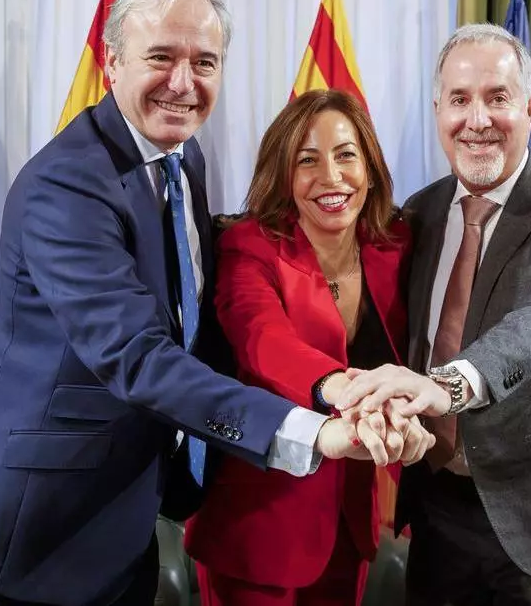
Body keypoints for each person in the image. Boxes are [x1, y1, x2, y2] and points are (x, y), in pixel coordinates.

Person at [0, 0, 409, 606]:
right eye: (161, 57)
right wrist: (313, 429)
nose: (183, 83)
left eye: (204, 62)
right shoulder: (67, 186)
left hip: (128, 507)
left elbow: (194, 324)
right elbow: (137, 356)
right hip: (47, 522)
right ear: (112, 62)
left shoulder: (182, 158)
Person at [338, 23, 531, 606]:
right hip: (439, 510)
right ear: (438, 111)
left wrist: (447, 386)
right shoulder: (419, 213)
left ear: (529, 109)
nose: (477, 120)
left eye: (496, 97)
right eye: (459, 99)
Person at [183, 90, 432, 606]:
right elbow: (262, 340)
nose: (331, 177)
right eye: (307, 161)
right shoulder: (249, 245)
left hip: (350, 518)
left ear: (370, 168)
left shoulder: (395, 245)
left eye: (346, 155)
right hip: (258, 524)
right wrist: (344, 388)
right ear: (284, 175)